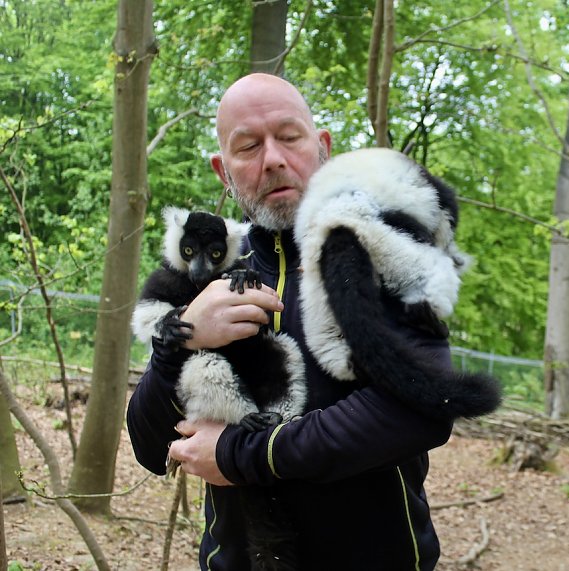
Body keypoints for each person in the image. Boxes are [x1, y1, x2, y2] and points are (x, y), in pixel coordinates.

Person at [126, 73, 454, 570]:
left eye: (289, 136)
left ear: (321, 146)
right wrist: (182, 339)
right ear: (224, 171)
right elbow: (150, 445)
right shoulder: (204, 278)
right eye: (248, 146)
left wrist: (249, 453)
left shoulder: (380, 250)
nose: (273, 159)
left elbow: (420, 408)